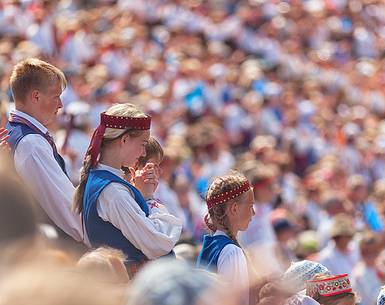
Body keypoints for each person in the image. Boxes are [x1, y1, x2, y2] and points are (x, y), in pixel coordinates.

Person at [73, 103, 182, 278]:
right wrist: (150, 200)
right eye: (142, 144)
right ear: (124, 140)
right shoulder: (112, 191)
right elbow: (157, 244)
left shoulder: (102, 180)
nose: (143, 151)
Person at [5, 58, 83, 243]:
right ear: (36, 96)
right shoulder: (32, 143)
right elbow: (66, 208)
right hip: (47, 250)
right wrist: (95, 237)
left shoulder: (22, 134)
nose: (60, 105)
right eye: (56, 96)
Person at [196, 171, 255, 305]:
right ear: (234, 208)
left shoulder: (209, 246)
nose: (254, 212)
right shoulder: (231, 252)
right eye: (251, 206)